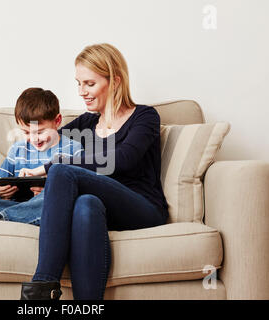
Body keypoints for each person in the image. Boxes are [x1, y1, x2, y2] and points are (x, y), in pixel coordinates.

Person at [19, 43, 170, 300]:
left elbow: (123, 159)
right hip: (100, 208)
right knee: (86, 203)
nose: (81, 92)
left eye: (89, 84)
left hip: (142, 207)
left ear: (115, 81)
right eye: (78, 83)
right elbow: (43, 143)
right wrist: (14, 179)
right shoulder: (87, 123)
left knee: (61, 170)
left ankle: (43, 286)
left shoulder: (144, 117)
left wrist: (49, 169)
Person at [0, 87, 83, 226]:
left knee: (57, 197)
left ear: (57, 121)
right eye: (26, 132)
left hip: (44, 204)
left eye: (40, 132)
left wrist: (49, 190)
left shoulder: (73, 149)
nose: (34, 139)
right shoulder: (18, 149)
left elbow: (78, 189)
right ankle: (20, 216)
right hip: (15, 202)